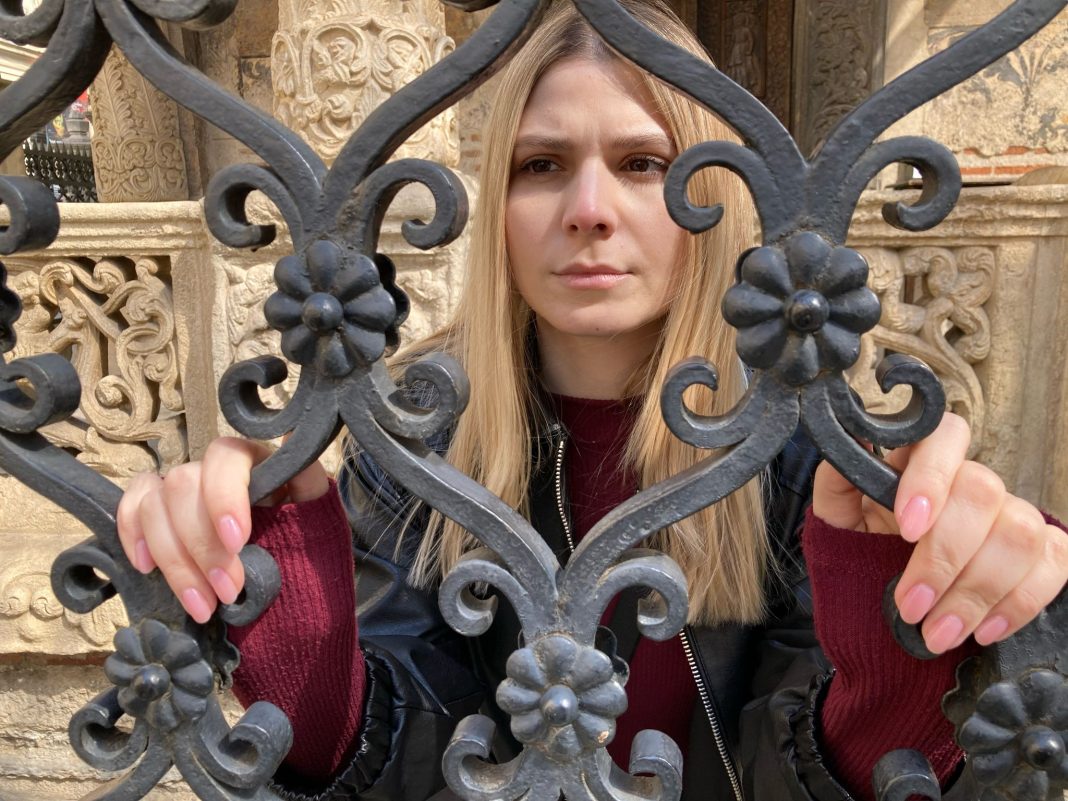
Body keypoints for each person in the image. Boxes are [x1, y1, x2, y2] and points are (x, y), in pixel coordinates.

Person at [115, 2, 1068, 800]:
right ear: (500, 212)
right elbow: (400, 766)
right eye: (541, 165)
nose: (589, 208)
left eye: (645, 163)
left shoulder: (811, 455)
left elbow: (809, 776)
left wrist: (915, 624)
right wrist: (292, 602)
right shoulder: (414, 441)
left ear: (717, 193)